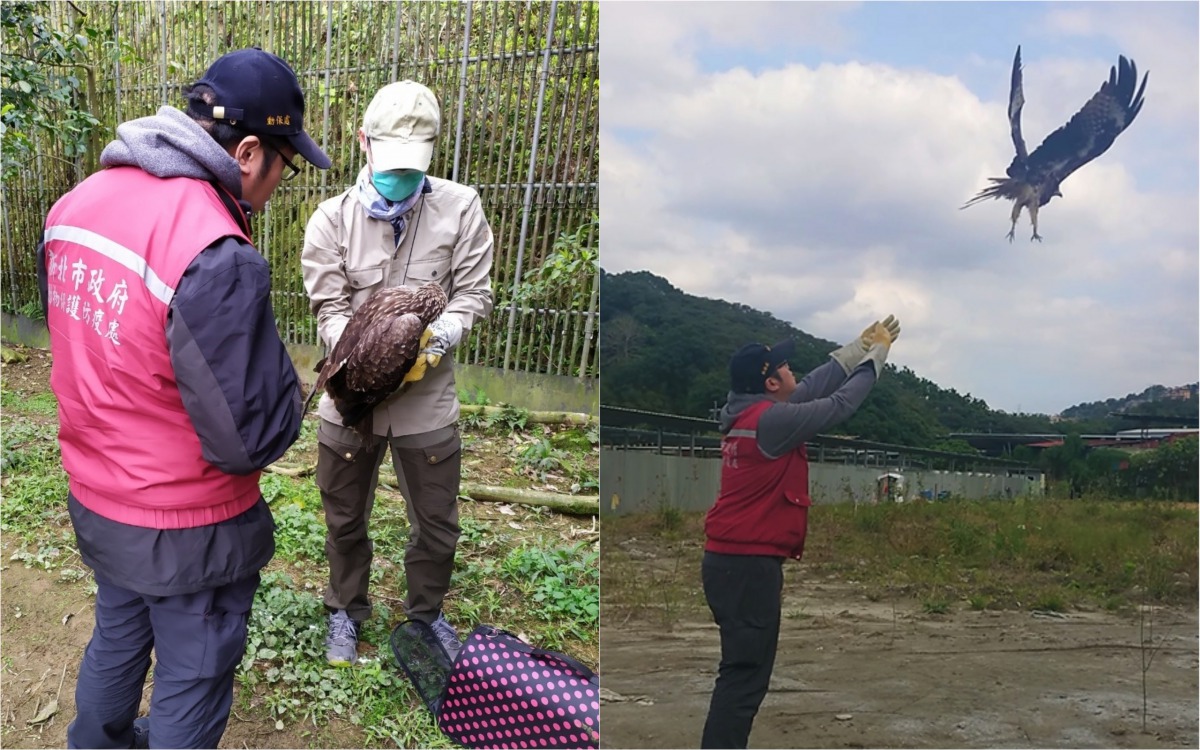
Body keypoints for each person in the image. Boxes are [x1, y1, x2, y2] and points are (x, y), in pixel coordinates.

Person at [37, 47, 331, 749]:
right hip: (186, 523)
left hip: (98, 493)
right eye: (284, 168)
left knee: (117, 636)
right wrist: (297, 387)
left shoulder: (77, 204)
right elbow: (247, 437)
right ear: (251, 150)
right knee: (193, 676)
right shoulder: (210, 247)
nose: (275, 185)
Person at [301, 80, 495, 666]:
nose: (400, 180)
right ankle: (345, 612)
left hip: (426, 401)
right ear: (364, 144)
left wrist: (434, 341)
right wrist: (362, 354)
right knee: (342, 517)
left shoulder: (461, 209)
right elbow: (328, 306)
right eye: (391, 166)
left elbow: (473, 294)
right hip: (347, 398)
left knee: (437, 523)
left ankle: (427, 617)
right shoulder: (331, 219)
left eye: (412, 169)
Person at [700, 316, 902, 749]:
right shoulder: (773, 423)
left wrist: (856, 348)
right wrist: (876, 359)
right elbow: (838, 405)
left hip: (729, 563)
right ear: (771, 383)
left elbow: (813, 385)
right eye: (785, 367)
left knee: (740, 674)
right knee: (743, 681)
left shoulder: (751, 413)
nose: (793, 371)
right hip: (748, 568)